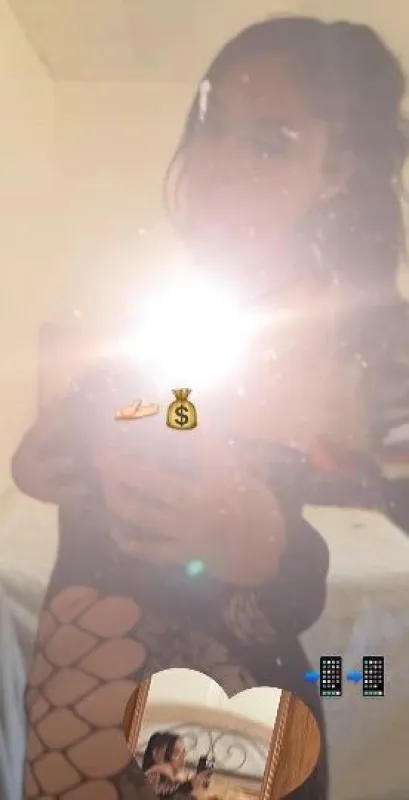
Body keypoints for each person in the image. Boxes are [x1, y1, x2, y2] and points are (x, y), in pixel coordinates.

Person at [12, 14, 409, 800]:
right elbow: (99, 422)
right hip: (73, 732)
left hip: (228, 742)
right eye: (212, 121)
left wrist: (274, 550)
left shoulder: (360, 338)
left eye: (270, 143)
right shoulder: (152, 293)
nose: (220, 162)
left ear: (335, 168)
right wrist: (44, 458)